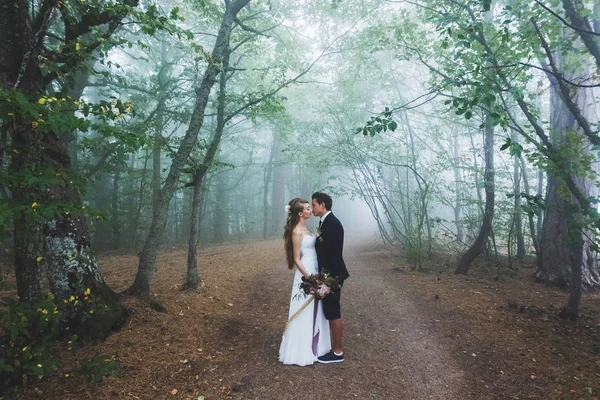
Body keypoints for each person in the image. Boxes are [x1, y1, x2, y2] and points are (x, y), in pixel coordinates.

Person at [279, 198, 331, 366]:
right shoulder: (296, 231)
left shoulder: (306, 228)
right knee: (304, 311)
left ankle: (316, 347)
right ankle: (300, 350)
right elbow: (297, 259)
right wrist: (310, 279)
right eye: (308, 208)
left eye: (310, 207)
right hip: (306, 272)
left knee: (316, 309)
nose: (311, 210)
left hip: (315, 268)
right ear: (300, 213)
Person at [311, 192, 349, 363]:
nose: (312, 208)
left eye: (314, 205)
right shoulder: (325, 222)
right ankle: (333, 348)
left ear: (323, 205)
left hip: (332, 276)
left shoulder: (332, 224)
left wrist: (327, 282)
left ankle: (337, 352)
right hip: (328, 274)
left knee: (334, 311)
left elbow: (334, 256)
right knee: (330, 311)